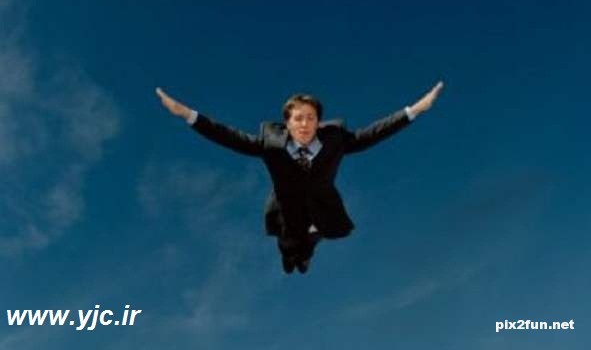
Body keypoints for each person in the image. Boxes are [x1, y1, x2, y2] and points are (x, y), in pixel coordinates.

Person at [156, 82, 444, 274]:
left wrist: (415, 110)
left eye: (310, 118)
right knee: (289, 243)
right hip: (286, 210)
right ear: (288, 123)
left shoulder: (335, 141)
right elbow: (226, 135)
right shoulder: (270, 144)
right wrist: (187, 114)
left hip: (322, 206)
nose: (304, 124)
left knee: (313, 238)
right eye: (298, 119)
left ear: (318, 122)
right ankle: (292, 255)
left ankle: (306, 253)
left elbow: (373, 133)